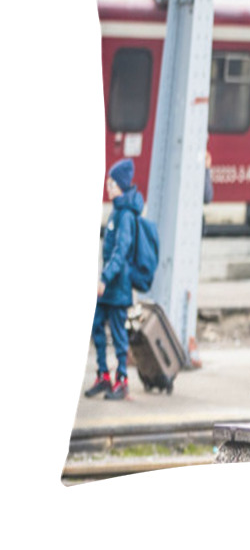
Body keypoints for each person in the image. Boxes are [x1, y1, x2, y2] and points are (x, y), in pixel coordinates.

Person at [85, 158, 142, 401]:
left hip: (117, 287)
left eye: (111, 183)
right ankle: (103, 376)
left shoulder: (126, 216)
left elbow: (121, 251)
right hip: (108, 287)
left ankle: (122, 381)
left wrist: (105, 277)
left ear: (121, 185)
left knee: (118, 334)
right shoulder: (116, 211)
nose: (108, 187)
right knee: (96, 326)